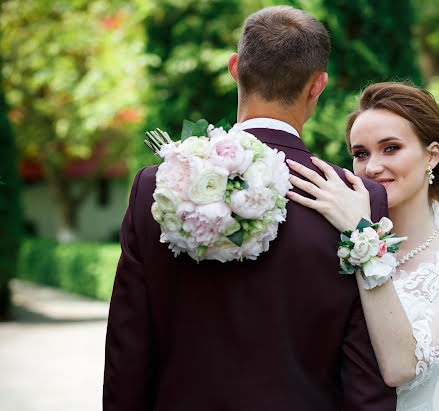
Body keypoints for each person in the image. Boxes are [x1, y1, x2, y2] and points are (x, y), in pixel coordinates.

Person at [103, 7, 397, 411]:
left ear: (236, 68)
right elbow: (367, 370)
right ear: (318, 85)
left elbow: (128, 349)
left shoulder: (156, 188)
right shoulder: (357, 199)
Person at [287, 82, 439, 410]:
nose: (373, 167)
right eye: (360, 153)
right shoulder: (331, 242)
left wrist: (362, 235)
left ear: (432, 155)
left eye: (391, 148)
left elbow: (400, 368)